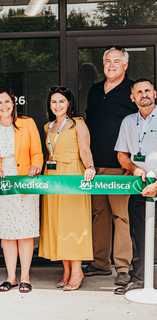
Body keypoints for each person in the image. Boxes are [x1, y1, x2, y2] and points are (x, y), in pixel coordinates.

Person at [84, 47, 137, 285]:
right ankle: (100, 263)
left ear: (125, 65)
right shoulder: (95, 90)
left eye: (117, 61)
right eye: (107, 61)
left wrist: (134, 164)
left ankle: (123, 267)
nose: (111, 65)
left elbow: (140, 127)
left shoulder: (132, 91)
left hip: (121, 167)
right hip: (94, 168)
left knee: (121, 217)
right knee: (99, 215)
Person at [0, 86, 43, 293]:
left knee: (25, 232)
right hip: (2, 185)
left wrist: (36, 166)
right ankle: (11, 277)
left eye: (7, 101)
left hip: (25, 182)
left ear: (13, 103)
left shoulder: (27, 124)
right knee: (7, 234)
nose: (3, 106)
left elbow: (37, 152)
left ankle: (25, 277)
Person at [39, 86, 96, 291]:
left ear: (69, 103)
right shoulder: (47, 126)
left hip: (72, 174)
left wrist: (90, 167)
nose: (57, 105)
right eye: (54, 102)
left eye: (61, 101)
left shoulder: (77, 124)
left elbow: (85, 149)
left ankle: (77, 271)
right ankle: (66, 270)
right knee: (58, 222)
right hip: (52, 176)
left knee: (73, 221)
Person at [114, 78, 157, 294]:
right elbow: (122, 154)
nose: (143, 94)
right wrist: (133, 167)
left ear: (155, 93)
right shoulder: (128, 122)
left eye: (147, 90)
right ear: (132, 98)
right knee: (139, 235)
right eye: (139, 92)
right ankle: (138, 279)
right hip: (140, 186)